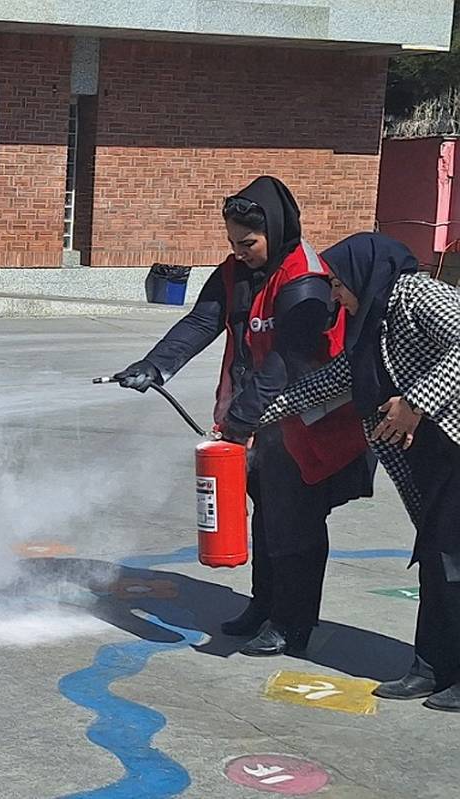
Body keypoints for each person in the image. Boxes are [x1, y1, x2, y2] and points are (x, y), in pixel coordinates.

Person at [112, 176, 374, 657]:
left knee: (295, 521)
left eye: (248, 242)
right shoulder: (236, 271)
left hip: (309, 422)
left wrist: (241, 420)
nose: (239, 251)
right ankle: (264, 605)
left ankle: (292, 623)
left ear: (274, 230)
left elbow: (287, 360)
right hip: (261, 420)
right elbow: (202, 321)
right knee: (268, 514)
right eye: (232, 242)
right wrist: (156, 364)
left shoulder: (307, 282)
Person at [260, 232, 460, 711]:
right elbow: (334, 380)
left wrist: (415, 402)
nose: (333, 294)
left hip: (453, 446)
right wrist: (250, 419)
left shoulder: (417, 293)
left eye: (336, 283)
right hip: (432, 461)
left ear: (364, 272)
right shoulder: (371, 320)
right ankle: (431, 667)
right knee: (439, 562)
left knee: (455, 561)